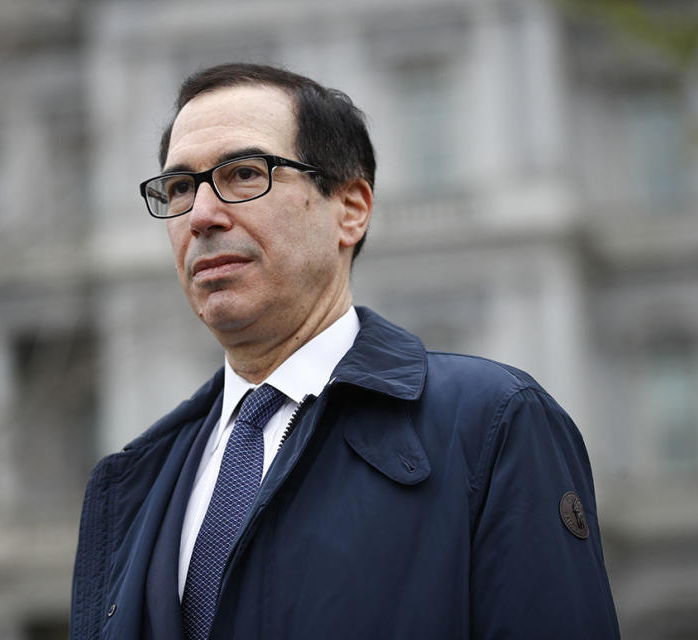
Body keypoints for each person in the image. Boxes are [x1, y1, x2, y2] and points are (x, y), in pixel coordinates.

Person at [69, 63, 619, 640]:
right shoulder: (132, 481)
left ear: (351, 208)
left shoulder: (492, 423)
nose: (202, 215)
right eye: (180, 187)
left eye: (244, 173)